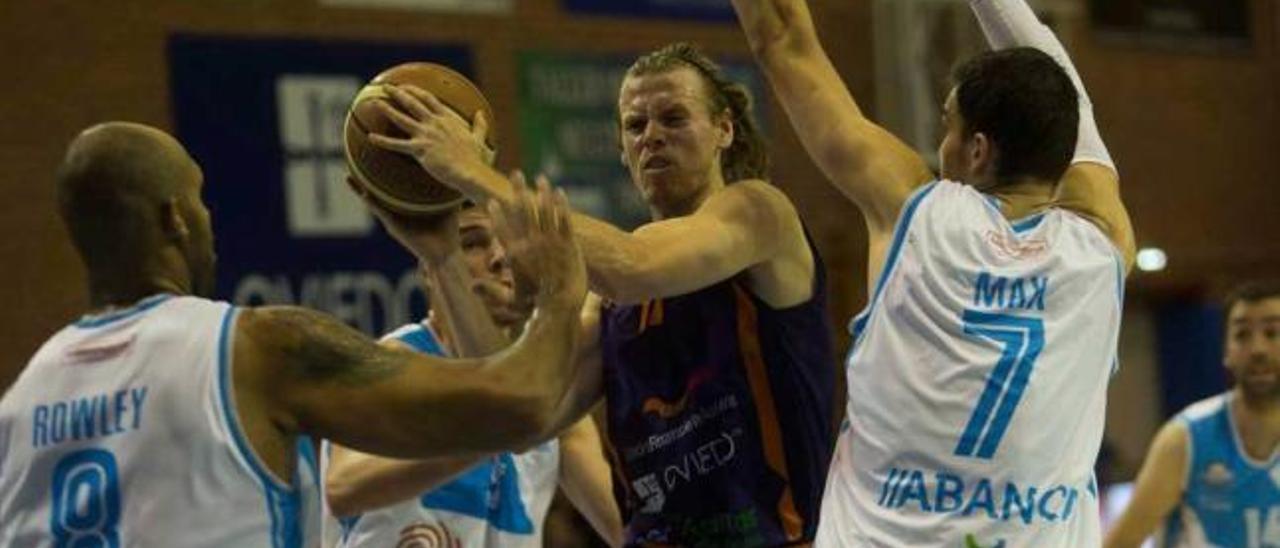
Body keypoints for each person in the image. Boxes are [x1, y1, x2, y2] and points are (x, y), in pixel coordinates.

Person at [0, 121, 586, 546]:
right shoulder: (252, 348)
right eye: (201, 200)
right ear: (175, 218)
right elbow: (519, 404)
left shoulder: (20, 403)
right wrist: (560, 289)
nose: (209, 218)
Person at [368, 42, 837, 546]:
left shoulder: (760, 213)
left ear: (723, 129)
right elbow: (525, 417)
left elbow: (635, 266)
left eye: (674, 118)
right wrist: (444, 262)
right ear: (622, 149)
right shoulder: (609, 301)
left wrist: (471, 173)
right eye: (636, 127)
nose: (653, 136)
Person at [732, 0, 1134, 545]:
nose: (939, 143)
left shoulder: (912, 214)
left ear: (977, 150)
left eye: (948, 125)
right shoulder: (1103, 245)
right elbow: (1068, 98)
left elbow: (781, 39)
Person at [323, 198, 622, 547]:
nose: (499, 258)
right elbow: (343, 488)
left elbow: (623, 530)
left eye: (510, 241)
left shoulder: (551, 396)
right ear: (429, 266)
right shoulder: (391, 366)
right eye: (473, 243)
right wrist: (492, 434)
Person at [1105, 282, 1280, 548]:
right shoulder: (1185, 437)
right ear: (1226, 352)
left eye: (1272, 333)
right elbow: (1120, 543)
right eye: (1242, 335)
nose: (1258, 349)